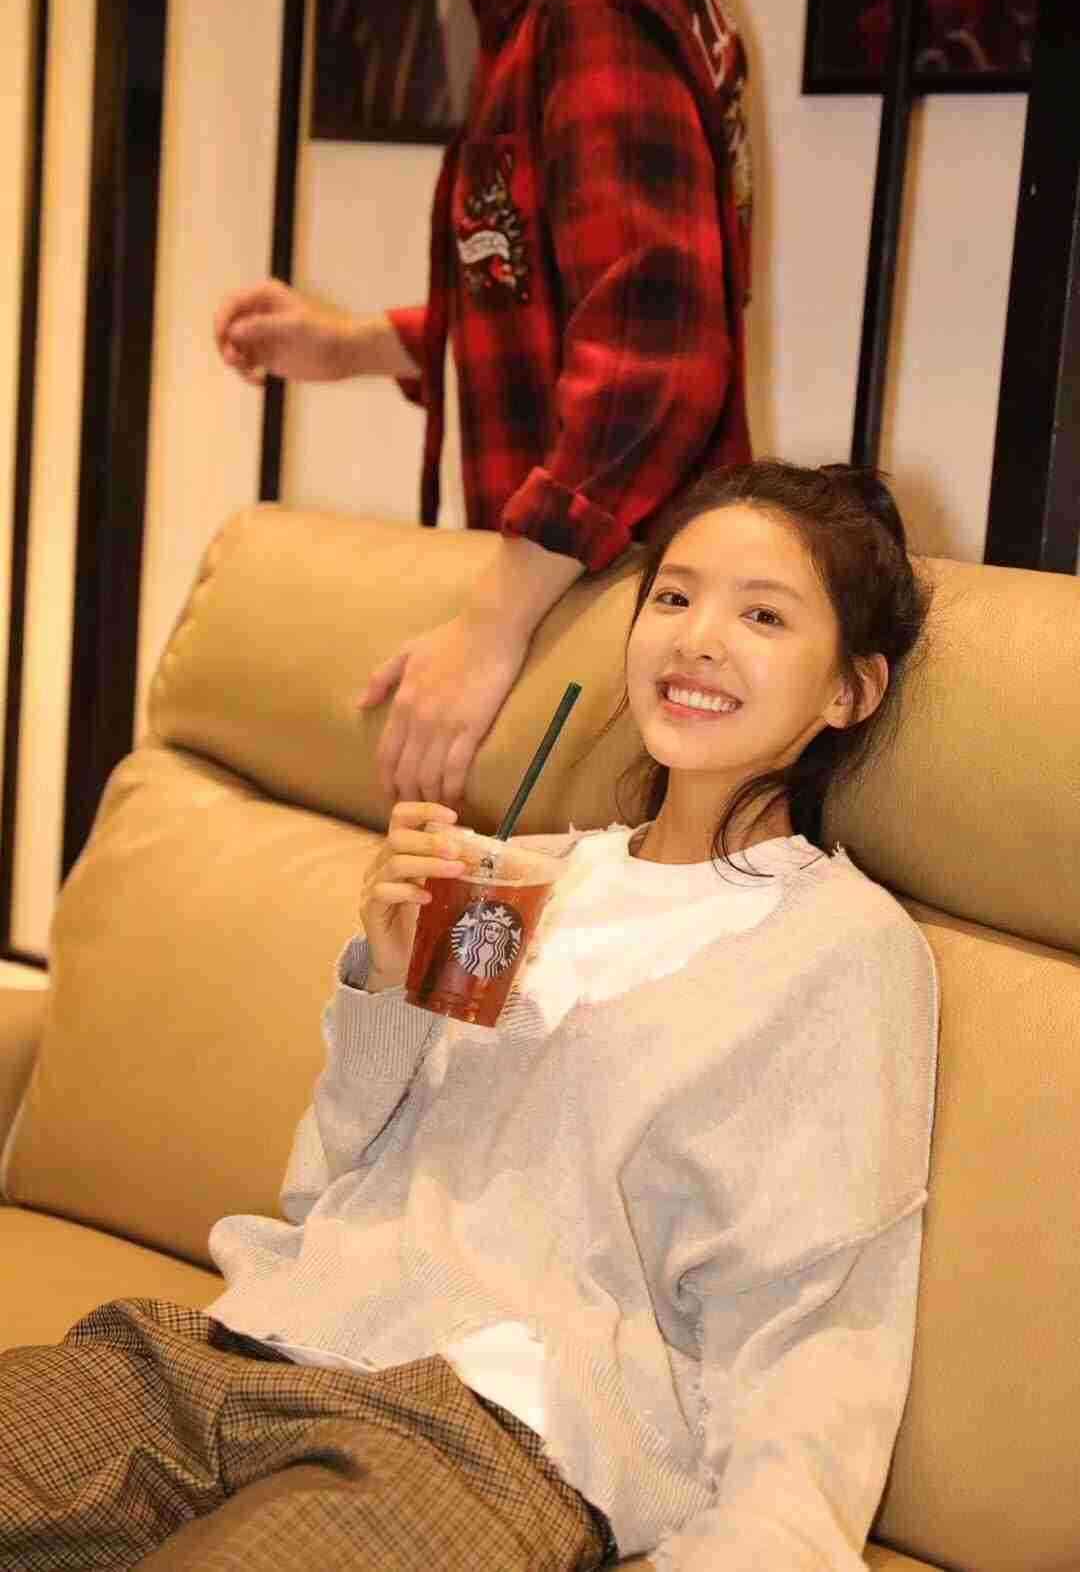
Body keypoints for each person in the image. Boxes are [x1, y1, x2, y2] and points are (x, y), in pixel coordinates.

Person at [0, 460, 939, 1571]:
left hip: (486, 1440)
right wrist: (390, 988)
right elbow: (324, 1186)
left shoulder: (846, 952)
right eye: (675, 596)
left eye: (764, 615)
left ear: (849, 693)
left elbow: (819, 1321)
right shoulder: (521, 876)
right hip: (245, 1349)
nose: (697, 639)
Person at [215, 0, 754, 811]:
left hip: (600, 608)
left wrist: (493, 623)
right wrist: (351, 347)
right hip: (599, 594)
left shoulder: (597, 4)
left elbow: (653, 358)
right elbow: (547, 301)